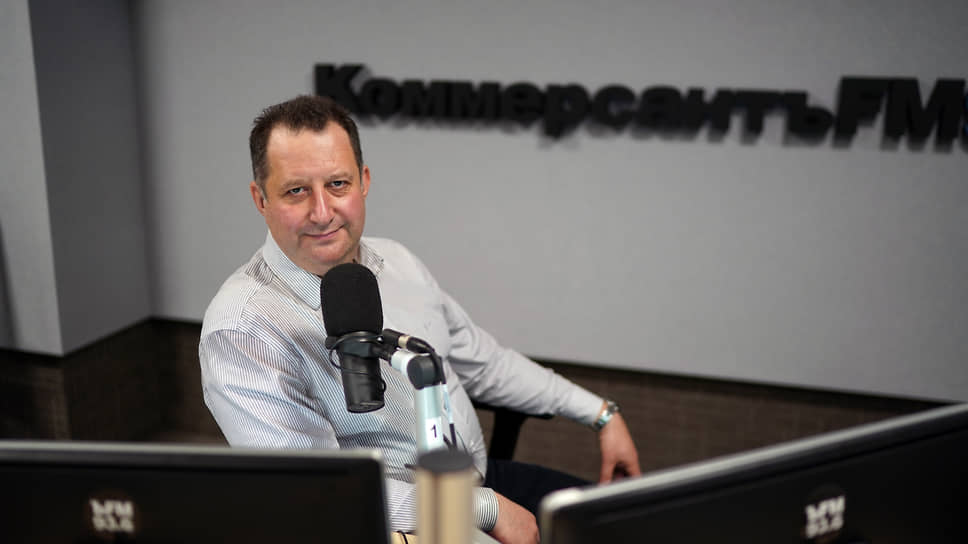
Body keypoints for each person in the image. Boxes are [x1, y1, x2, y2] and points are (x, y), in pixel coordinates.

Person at [199, 95, 640, 544]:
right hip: (397, 523)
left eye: (337, 184)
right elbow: (323, 489)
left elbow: (484, 362)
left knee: (626, 525)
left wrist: (601, 413)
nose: (322, 211)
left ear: (364, 181)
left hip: (480, 482)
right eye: (296, 191)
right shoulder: (242, 328)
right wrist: (483, 509)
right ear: (260, 199)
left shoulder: (397, 261)